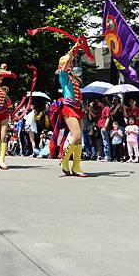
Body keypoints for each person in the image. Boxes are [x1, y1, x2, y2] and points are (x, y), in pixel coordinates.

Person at [48, 40, 87, 177]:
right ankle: (64, 161)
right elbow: (67, 62)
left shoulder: (75, 78)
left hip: (77, 107)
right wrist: (74, 49)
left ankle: (76, 166)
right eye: (69, 62)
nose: (71, 64)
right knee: (75, 135)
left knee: (79, 138)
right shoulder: (63, 75)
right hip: (68, 106)